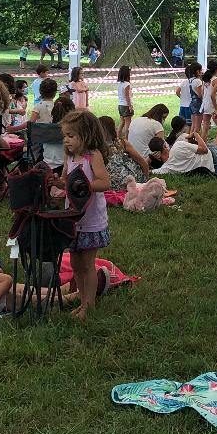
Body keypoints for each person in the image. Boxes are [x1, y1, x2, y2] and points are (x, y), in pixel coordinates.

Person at [60, 110, 112, 320]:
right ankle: (82, 300)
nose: (66, 140)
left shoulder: (93, 156)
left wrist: (83, 186)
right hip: (73, 219)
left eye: (71, 136)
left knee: (87, 264)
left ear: (86, 135)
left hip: (91, 220)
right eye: (64, 136)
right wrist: (57, 184)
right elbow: (64, 180)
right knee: (75, 264)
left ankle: (89, 305)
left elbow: (104, 182)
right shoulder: (70, 157)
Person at [99, 115, 150, 189]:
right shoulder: (121, 143)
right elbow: (142, 161)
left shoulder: (96, 146)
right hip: (130, 180)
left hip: (112, 182)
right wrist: (146, 180)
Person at [200, 61, 217, 145]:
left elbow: (202, 93)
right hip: (212, 106)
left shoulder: (205, 79)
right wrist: (216, 109)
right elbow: (212, 95)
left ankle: (202, 145)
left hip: (204, 105)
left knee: (205, 128)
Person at [175, 62, 199, 128]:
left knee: (182, 125)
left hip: (182, 106)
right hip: (190, 106)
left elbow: (177, 92)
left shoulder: (184, 82)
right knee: (191, 125)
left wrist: (182, 97)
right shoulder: (195, 82)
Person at [116, 65, 134, 140]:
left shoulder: (119, 83)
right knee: (128, 123)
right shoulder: (127, 84)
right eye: (129, 72)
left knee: (121, 122)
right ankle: (127, 139)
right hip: (126, 105)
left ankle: (117, 137)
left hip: (120, 105)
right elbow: (127, 96)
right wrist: (130, 106)